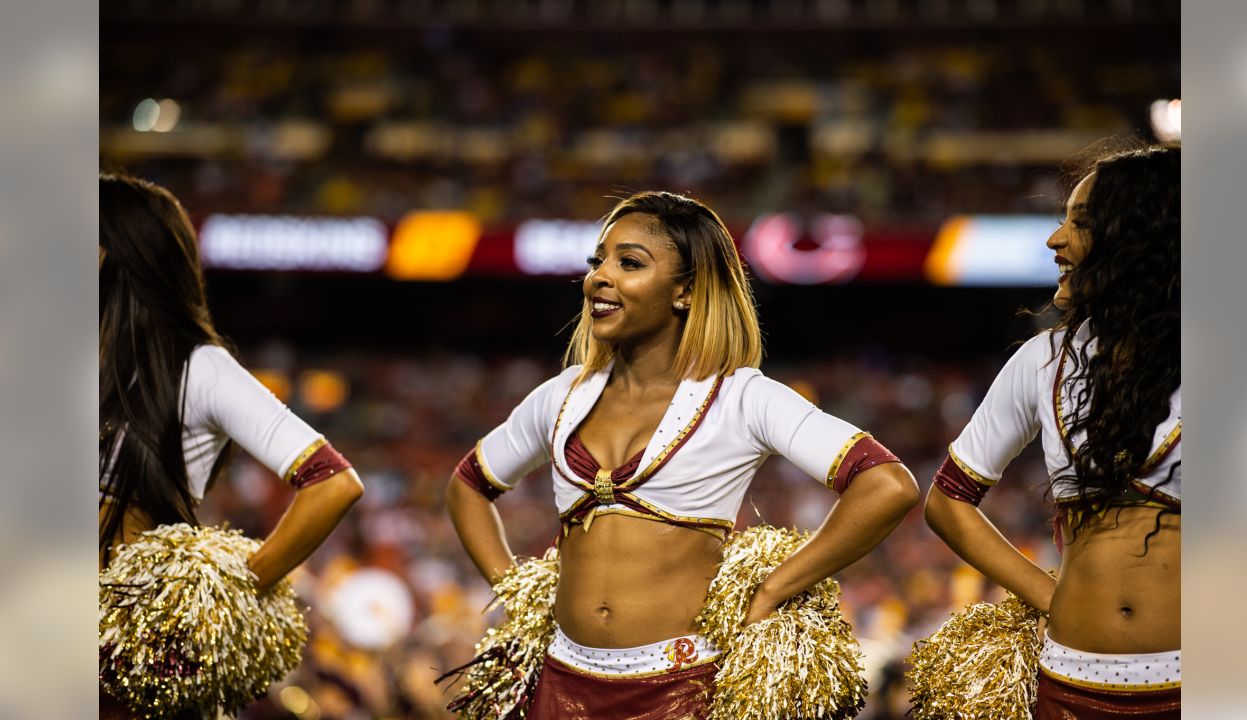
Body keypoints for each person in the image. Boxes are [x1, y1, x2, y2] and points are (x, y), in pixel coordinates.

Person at [445, 190, 919, 719]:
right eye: (597, 260)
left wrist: (774, 589)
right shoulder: (560, 396)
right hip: (560, 682)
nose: (600, 276)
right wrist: (517, 593)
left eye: (629, 263)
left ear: (685, 292)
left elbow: (886, 484)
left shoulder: (742, 397)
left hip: (682, 689)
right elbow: (468, 484)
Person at [923, 145, 1180, 718]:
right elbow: (947, 502)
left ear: (1143, 238)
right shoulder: (1044, 361)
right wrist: (1048, 594)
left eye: (1081, 223)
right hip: (1070, 681)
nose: (1054, 240)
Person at [99, 174, 365, 716]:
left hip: (123, 655)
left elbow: (333, 484)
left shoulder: (199, 369)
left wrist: (228, 595)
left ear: (120, 253)